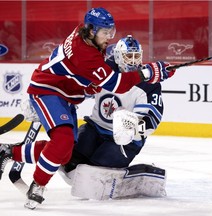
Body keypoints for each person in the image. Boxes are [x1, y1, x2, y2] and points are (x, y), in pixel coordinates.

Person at [0, 7, 175, 210]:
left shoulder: (86, 37)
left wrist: (135, 126)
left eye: (111, 31)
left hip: (64, 94)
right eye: (105, 32)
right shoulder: (88, 55)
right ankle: (38, 185)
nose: (109, 36)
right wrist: (149, 72)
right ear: (91, 30)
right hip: (50, 90)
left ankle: (8, 151)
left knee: (64, 153)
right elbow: (115, 84)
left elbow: (86, 79)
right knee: (64, 141)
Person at [63, 34, 163, 174]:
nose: (133, 62)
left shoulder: (148, 83)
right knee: (69, 158)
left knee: (98, 169)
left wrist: (131, 129)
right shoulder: (102, 70)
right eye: (128, 56)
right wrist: (49, 97)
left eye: (136, 56)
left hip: (125, 141)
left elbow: (152, 120)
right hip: (95, 129)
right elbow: (76, 87)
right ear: (118, 56)